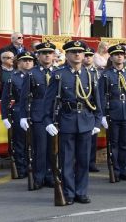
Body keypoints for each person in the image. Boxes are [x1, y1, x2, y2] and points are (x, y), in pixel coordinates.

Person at [43, 40, 102, 205]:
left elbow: (97, 100)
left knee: (83, 160)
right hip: (67, 120)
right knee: (67, 160)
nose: (77, 54)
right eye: (73, 52)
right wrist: (48, 121)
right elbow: (48, 102)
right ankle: (68, 192)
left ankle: (81, 192)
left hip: (86, 120)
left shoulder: (91, 74)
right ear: (67, 55)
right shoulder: (59, 75)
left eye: (80, 52)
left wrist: (97, 121)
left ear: (84, 55)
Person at [19, 42, 57, 190]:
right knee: (40, 148)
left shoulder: (59, 72)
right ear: (38, 56)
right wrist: (23, 116)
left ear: (54, 55)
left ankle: (51, 176)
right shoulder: (31, 73)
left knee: (53, 149)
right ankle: (39, 177)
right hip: (39, 115)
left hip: (55, 115)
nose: (47, 55)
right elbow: (24, 97)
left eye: (49, 52)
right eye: (43, 53)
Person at [98, 44, 126, 182]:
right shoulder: (106, 75)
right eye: (116, 54)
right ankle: (115, 170)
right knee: (114, 144)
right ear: (111, 57)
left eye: (122, 54)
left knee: (125, 143)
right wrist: (102, 115)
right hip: (113, 111)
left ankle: (124, 169)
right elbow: (101, 96)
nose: (120, 56)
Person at [1, 51, 35, 179]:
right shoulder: (12, 77)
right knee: (20, 143)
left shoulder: (37, 75)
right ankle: (21, 168)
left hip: (36, 111)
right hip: (19, 111)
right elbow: (5, 99)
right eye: (24, 60)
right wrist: (4, 116)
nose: (27, 62)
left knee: (35, 142)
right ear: (18, 62)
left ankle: (35, 167)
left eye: (30, 60)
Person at [83, 47, 101, 173]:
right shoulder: (80, 72)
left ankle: (91, 162)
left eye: (90, 55)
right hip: (82, 107)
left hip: (92, 107)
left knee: (92, 138)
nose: (88, 57)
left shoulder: (97, 73)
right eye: (86, 55)